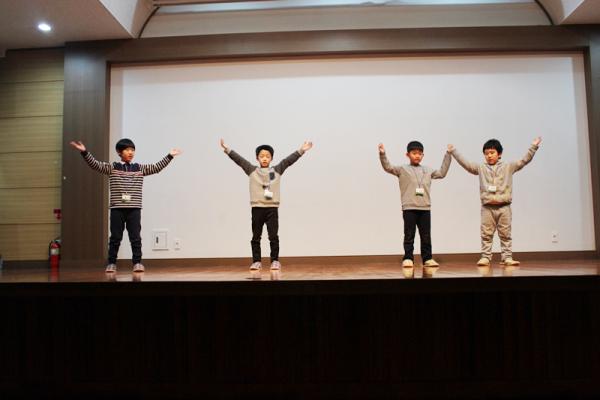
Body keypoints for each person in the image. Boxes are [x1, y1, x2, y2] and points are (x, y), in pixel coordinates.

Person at [70, 138, 181, 273]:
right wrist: (84, 152)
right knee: (115, 238)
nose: (130, 152)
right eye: (127, 150)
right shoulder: (112, 167)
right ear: (119, 152)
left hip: (134, 209)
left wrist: (169, 156)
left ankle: (137, 263)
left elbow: (156, 167)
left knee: (135, 237)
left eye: (132, 150)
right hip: (117, 208)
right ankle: (111, 263)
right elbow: (95, 165)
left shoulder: (139, 168)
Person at [221, 138, 312, 272]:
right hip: (257, 208)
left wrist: (301, 150)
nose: (264, 158)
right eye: (262, 156)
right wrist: (227, 150)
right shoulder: (252, 170)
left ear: (271, 158)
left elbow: (288, 161)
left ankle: (275, 261)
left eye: (267, 156)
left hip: (272, 209)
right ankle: (256, 261)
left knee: (273, 236)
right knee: (256, 237)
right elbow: (239, 160)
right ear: (257, 158)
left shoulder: (276, 170)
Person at [448, 137, 542, 267]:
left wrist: (533, 147)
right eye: (486, 153)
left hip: (504, 207)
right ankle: (485, 257)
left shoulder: (508, 166)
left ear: (499, 153)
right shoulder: (481, 168)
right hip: (487, 207)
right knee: (486, 234)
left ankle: (507, 257)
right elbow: (467, 165)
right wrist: (454, 152)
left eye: (492, 152)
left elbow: (524, 161)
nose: (489, 155)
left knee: (505, 234)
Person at [379, 141, 451, 274]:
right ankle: (408, 258)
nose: (417, 156)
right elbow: (388, 167)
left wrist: (448, 155)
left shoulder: (428, 170)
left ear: (423, 155)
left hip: (425, 208)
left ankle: (427, 258)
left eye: (420, 153)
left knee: (426, 235)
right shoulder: (402, 169)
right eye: (414, 153)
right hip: (409, 208)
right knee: (409, 234)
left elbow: (442, 173)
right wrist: (382, 154)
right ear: (408, 154)